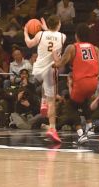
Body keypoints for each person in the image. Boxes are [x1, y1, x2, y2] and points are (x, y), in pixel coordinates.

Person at [52, 23, 99, 143]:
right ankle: (89, 126)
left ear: (76, 35)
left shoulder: (72, 47)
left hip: (81, 82)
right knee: (83, 102)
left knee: (70, 106)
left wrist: (53, 60)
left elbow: (60, 64)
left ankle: (80, 133)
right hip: (94, 82)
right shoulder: (95, 48)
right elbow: (98, 68)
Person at [24, 15, 66, 143]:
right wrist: (47, 28)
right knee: (52, 101)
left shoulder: (40, 35)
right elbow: (54, 36)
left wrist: (26, 31)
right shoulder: (63, 36)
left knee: (45, 86)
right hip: (50, 71)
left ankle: (43, 101)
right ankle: (52, 128)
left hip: (37, 70)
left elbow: (29, 43)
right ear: (58, 24)